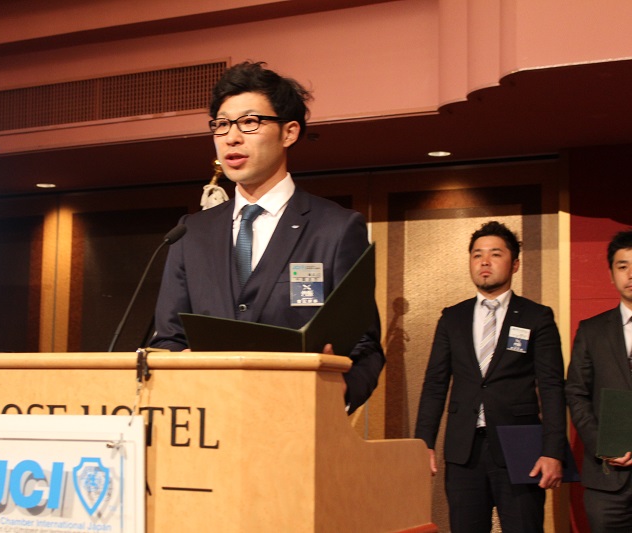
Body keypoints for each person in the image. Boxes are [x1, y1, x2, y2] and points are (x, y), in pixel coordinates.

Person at [149, 61, 384, 413]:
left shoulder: (336, 228)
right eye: (222, 124)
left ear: (289, 133)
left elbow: (365, 344)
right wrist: (180, 366)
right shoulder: (190, 233)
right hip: (206, 420)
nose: (231, 137)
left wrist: (338, 393)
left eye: (249, 122)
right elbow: (168, 338)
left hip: (296, 420)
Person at [414, 221, 566, 532]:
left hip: (521, 449)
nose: (484, 261)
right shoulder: (452, 318)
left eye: (495, 254)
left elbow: (552, 387)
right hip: (464, 451)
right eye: (477, 255)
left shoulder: (537, 316)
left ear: (515, 264)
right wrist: (423, 444)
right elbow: (434, 385)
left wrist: (553, 451)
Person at [566, 230, 632, 532]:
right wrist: (602, 444)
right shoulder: (591, 331)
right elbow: (576, 393)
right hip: (606, 479)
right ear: (611, 275)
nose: (630, 274)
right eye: (622, 266)